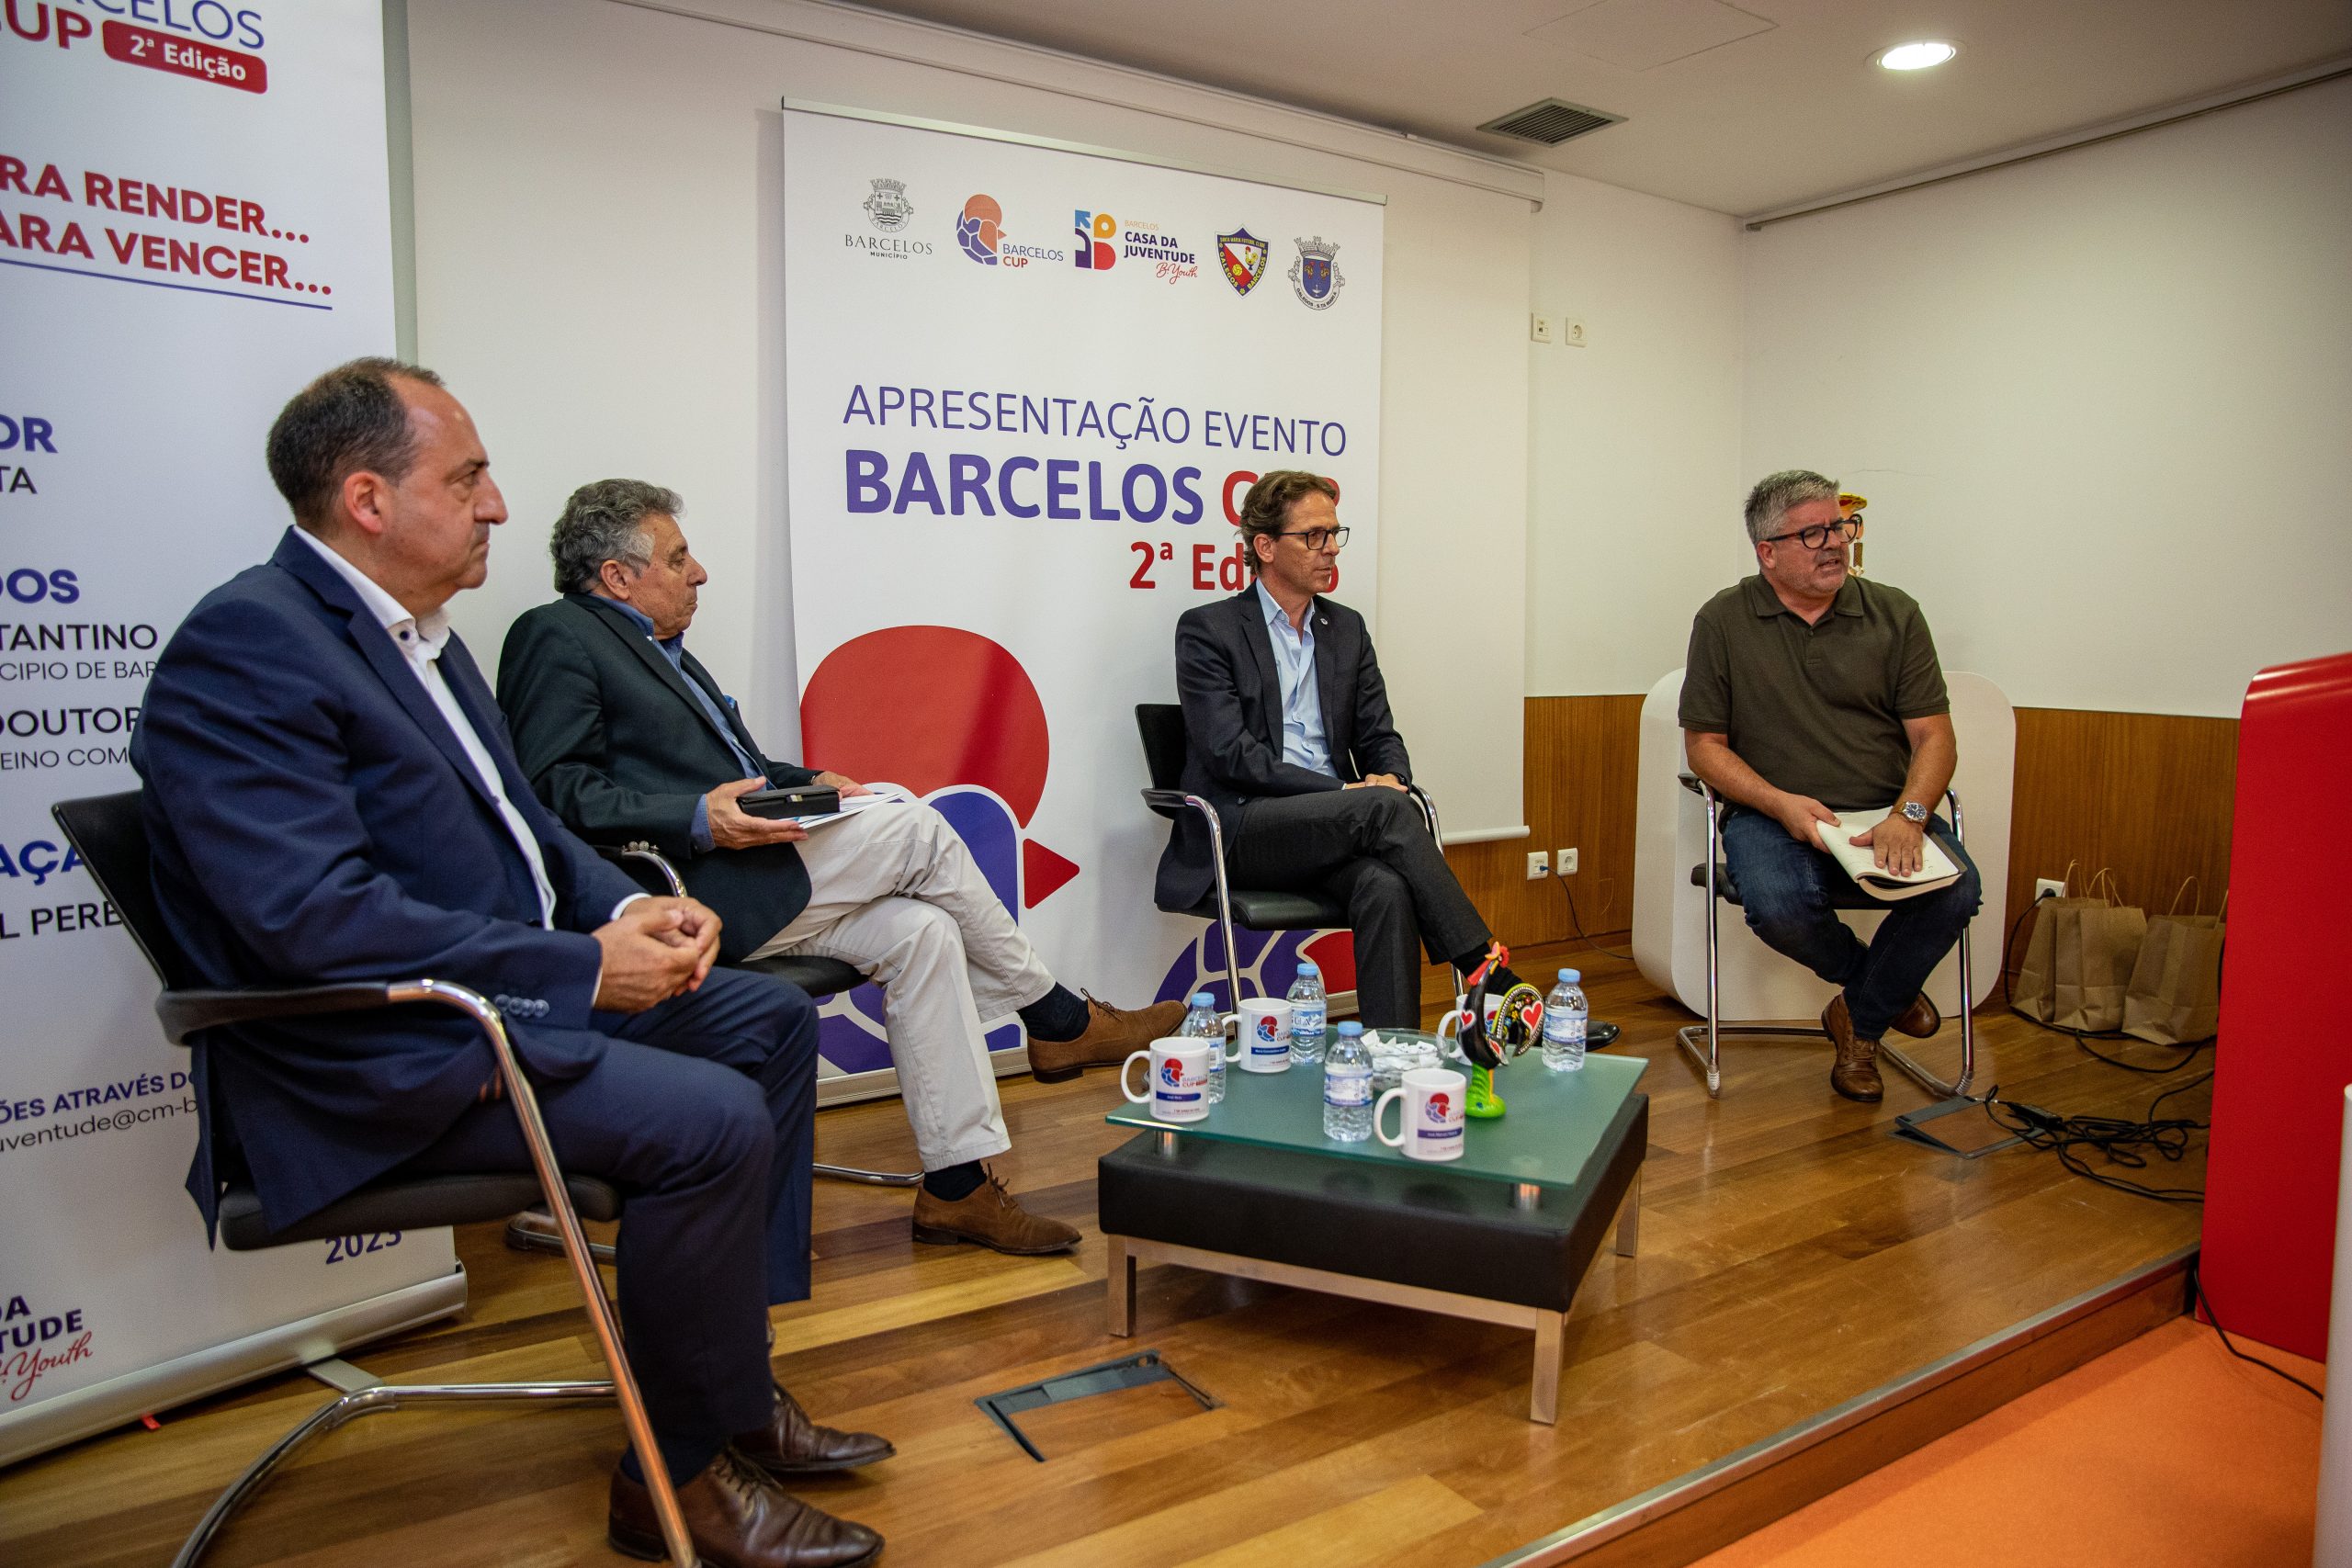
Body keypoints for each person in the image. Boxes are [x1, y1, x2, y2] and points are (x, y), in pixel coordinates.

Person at [131, 359, 887, 1568]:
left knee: (765, 1024)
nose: (495, 504)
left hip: (499, 1000)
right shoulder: (248, 647)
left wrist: (643, 910)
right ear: (370, 498)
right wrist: (582, 967)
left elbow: (530, 834)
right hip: (382, 1053)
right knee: (704, 1118)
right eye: (468, 475)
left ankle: (725, 1394)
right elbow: (312, 921)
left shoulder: (418, 634)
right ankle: (672, 1478)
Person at [497, 479, 1183, 1256]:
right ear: (618, 576)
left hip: (760, 876)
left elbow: (741, 768)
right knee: (921, 830)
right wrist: (694, 819)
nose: (700, 573)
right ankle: (1056, 1018)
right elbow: (549, 790)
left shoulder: (663, 656)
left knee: (924, 931)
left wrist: (807, 782)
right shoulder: (556, 635)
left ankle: (957, 1187)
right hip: (692, 891)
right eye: (679, 556)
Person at [1156, 469, 1530, 1031]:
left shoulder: (1346, 630)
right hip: (1243, 827)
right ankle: (1485, 971)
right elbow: (1231, 755)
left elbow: (1380, 735)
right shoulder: (1209, 630)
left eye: (1334, 533)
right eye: (1313, 536)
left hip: (1333, 827)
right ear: (1265, 547)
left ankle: (1393, 1053)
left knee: (1385, 886)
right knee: (1380, 808)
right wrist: (1348, 792)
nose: (1330, 548)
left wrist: (1390, 778)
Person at [1679, 469, 1983, 1103]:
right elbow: (1704, 747)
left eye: (1841, 526)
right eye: (1813, 532)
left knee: (1958, 891)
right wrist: (1779, 804)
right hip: (1774, 814)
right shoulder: (1723, 620)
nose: (1835, 543)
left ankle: (1859, 1020)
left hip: (1884, 813)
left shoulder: (1895, 613)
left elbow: (1935, 737)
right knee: (1779, 901)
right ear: (1768, 552)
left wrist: (1912, 813)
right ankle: (1876, 987)